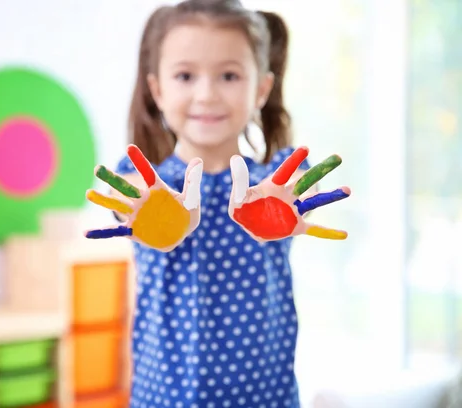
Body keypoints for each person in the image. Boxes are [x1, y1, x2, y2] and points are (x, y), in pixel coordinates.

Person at [85, 1, 351, 406]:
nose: (206, 94)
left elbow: (301, 193)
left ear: (261, 88)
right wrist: (150, 212)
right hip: (165, 396)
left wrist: (289, 205)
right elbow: (128, 194)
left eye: (228, 75)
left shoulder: (276, 179)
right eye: (185, 75)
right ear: (158, 90)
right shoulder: (150, 183)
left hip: (265, 395)